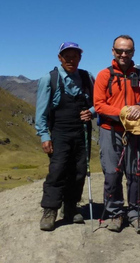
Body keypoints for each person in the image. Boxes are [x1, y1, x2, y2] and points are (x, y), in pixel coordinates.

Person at [94, 35, 140, 234]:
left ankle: (135, 214)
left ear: (133, 52)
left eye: (127, 51)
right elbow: (99, 104)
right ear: (113, 51)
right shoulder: (104, 76)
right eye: (119, 51)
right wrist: (122, 114)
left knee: (135, 174)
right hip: (111, 131)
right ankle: (115, 214)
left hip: (136, 132)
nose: (123, 54)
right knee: (112, 174)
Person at [35, 42, 95, 231]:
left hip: (82, 132)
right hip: (59, 132)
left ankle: (70, 207)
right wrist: (45, 135)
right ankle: (50, 209)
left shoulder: (86, 78)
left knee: (78, 171)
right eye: (66, 56)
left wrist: (91, 111)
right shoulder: (49, 79)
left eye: (75, 56)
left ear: (80, 58)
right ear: (60, 58)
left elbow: (97, 103)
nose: (71, 59)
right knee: (58, 169)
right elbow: (41, 111)